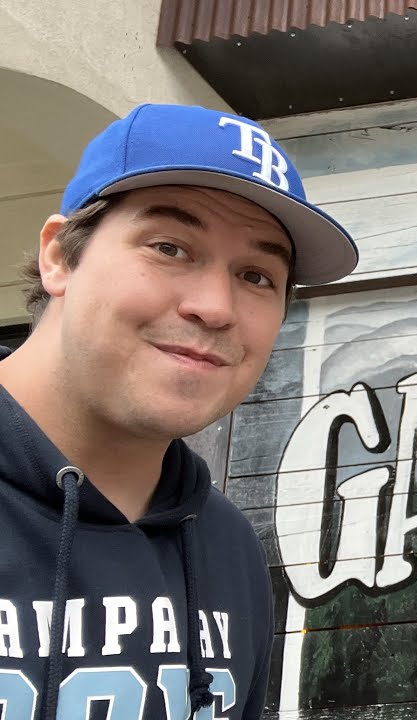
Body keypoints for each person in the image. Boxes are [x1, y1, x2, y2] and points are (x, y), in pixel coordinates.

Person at [0, 103, 358, 720]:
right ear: (60, 256)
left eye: (256, 275)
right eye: (170, 247)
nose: (216, 306)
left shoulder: (227, 548)